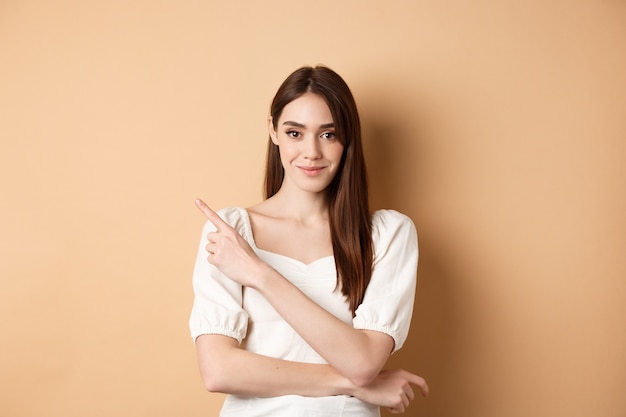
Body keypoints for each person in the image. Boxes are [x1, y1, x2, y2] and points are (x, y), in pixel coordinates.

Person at [189, 65, 428, 416]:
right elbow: (218, 370)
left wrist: (259, 274)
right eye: (295, 133)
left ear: (348, 140)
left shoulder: (387, 235)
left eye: (328, 135)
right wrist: (350, 383)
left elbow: (362, 362)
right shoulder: (230, 231)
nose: (312, 152)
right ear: (273, 131)